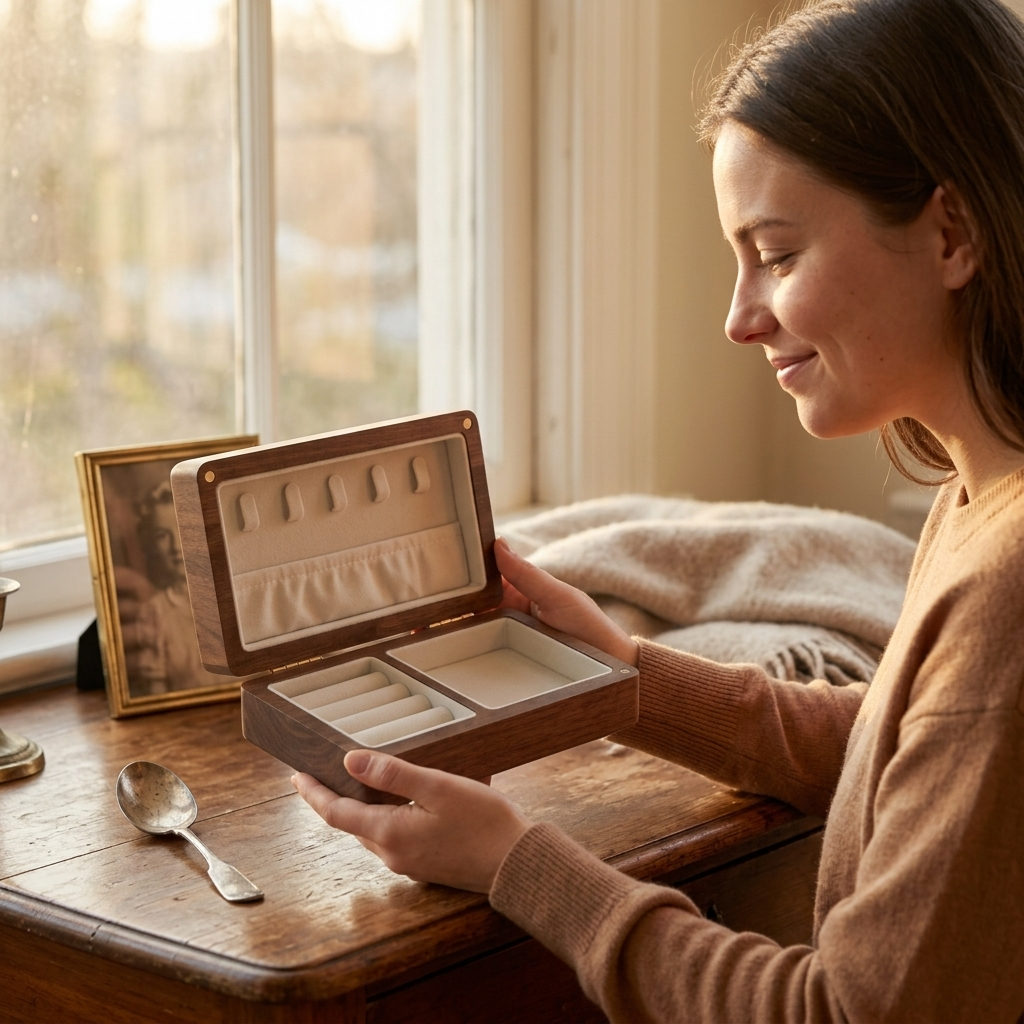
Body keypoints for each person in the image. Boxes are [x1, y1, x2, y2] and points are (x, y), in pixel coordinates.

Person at [292, 0, 1024, 1019]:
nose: (736, 316)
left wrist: (518, 863)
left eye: (775, 252)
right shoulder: (977, 493)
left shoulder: (1006, 586)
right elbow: (906, 751)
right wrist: (619, 681)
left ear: (951, 232)